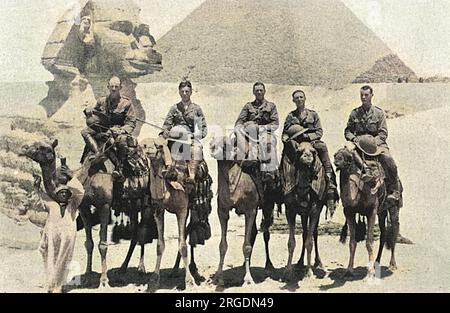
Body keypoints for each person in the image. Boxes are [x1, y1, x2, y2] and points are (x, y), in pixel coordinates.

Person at [344, 85, 400, 203]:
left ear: (371, 96)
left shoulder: (379, 113)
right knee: (344, 156)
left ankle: (394, 189)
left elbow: (383, 133)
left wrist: (374, 143)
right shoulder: (355, 113)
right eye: (362, 95)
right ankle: (340, 193)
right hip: (358, 144)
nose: (364, 97)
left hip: (376, 145)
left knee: (388, 159)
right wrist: (354, 139)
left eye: (366, 95)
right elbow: (348, 131)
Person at [282, 89, 338, 199]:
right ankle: (282, 181)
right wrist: (287, 140)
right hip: (296, 143)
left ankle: (329, 176)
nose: (299, 99)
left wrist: (308, 137)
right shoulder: (290, 116)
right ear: (293, 100)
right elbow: (285, 133)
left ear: (305, 98)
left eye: (301, 97)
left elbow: (319, 131)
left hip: (311, 142)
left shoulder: (313, 114)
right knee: (286, 154)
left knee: (322, 146)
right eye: (296, 98)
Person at [80, 76, 136, 180]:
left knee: (122, 140)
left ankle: (119, 167)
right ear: (108, 87)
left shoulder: (127, 103)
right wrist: (88, 112)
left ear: (120, 87)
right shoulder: (101, 101)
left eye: (116, 86)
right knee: (84, 132)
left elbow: (131, 123)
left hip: (118, 131)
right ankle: (97, 152)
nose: (114, 89)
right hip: (103, 129)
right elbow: (95, 116)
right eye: (111, 86)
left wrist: (121, 130)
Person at [160, 80, 208, 187]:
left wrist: (193, 135)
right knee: (160, 151)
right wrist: (163, 134)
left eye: (187, 91)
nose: (184, 94)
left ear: (191, 92)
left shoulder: (196, 109)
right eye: (182, 92)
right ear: (179, 92)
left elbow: (203, 129)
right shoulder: (174, 108)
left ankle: (191, 176)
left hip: (191, 139)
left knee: (196, 149)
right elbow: (167, 124)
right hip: (175, 139)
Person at [234, 82, 279, 177]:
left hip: (265, 133)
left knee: (267, 143)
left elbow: (275, 124)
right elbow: (239, 122)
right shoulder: (248, 106)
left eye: (261, 90)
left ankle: (269, 173)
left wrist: (260, 128)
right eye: (257, 90)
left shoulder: (271, 106)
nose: (259, 92)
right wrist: (244, 128)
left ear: (264, 91)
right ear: (253, 92)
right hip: (249, 134)